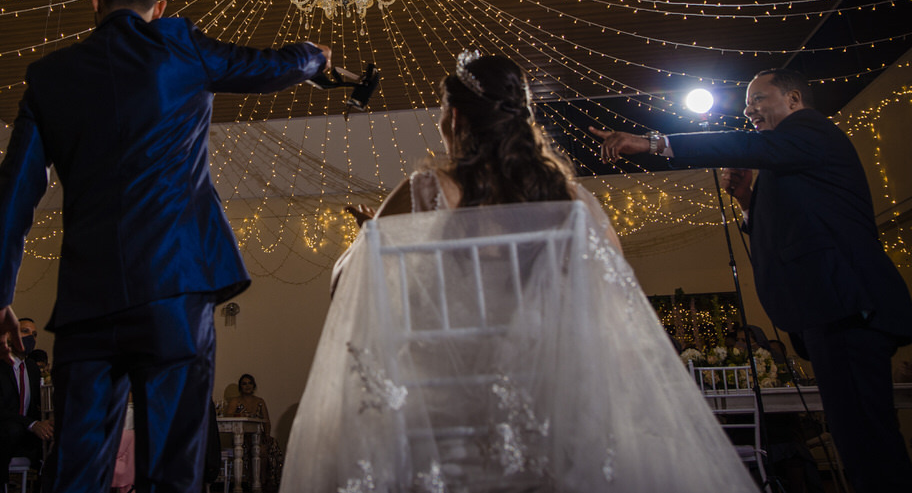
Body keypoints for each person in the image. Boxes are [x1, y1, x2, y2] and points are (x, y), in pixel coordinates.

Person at [283, 52, 755, 492]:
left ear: (454, 119)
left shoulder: (429, 190)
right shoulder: (572, 202)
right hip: (560, 408)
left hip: (449, 411)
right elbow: (616, 291)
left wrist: (376, 245)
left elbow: (344, 289)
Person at [0, 0, 327, 493]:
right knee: (172, 475)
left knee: (72, 474)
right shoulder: (177, 43)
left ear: (94, 0)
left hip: (86, 305)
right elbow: (267, 67)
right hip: (174, 292)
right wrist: (312, 57)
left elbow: (14, 194)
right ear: (159, 8)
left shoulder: (49, 77)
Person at [590, 67, 912, 492]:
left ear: (794, 100)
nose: (749, 109)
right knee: (854, 437)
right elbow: (791, 225)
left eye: (759, 99)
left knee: (868, 438)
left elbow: (744, 144)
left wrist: (653, 143)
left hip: (847, 304)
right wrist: (745, 203)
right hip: (827, 309)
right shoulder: (791, 156)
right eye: (747, 103)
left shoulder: (812, 130)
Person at [0, 316, 51, 489]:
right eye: (25, 331)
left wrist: (47, 422)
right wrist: (32, 424)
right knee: (10, 430)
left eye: (34, 334)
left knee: (57, 435)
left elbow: (35, 408)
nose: (30, 337)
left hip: (23, 436)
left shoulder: (32, 369)